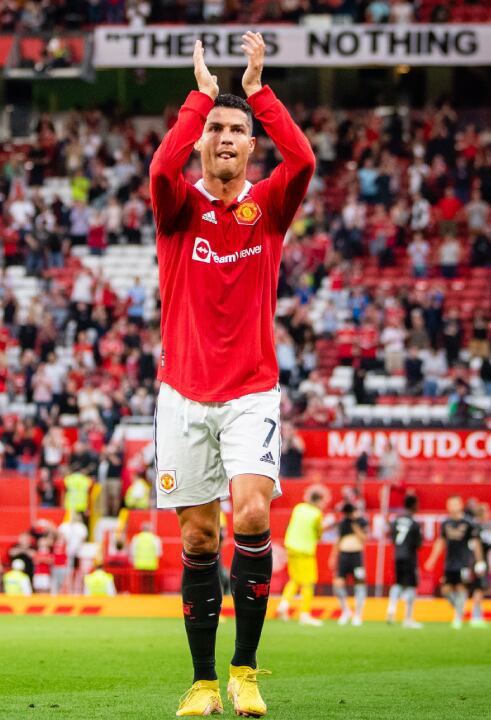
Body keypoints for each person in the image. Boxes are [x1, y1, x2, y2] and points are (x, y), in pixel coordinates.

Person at [150, 32, 314, 717]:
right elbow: (160, 170)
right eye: (214, 129)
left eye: (235, 131)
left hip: (251, 388)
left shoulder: (269, 207)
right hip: (181, 393)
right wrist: (198, 97)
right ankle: (203, 681)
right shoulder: (179, 207)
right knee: (197, 537)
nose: (224, 137)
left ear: (250, 146)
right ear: (199, 141)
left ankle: (245, 669)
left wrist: (254, 90)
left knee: (250, 511)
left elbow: (302, 156)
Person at [425, 495, 485, 630]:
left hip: (464, 562)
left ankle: (457, 617)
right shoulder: (445, 523)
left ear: (460, 505)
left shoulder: (469, 523)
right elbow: (441, 542)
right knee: (445, 590)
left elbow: (476, 543)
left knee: (460, 588)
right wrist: (432, 559)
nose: (452, 507)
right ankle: (459, 609)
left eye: (454, 504)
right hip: (449, 562)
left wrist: (480, 561)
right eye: (449, 504)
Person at [276, 490, 326, 627]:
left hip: (291, 547)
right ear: (319, 501)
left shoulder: (299, 508)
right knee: (308, 582)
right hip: (305, 550)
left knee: (295, 579)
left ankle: (284, 604)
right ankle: (305, 614)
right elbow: (318, 533)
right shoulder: (317, 514)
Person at [386, 495, 423, 628]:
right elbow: (418, 544)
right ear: (413, 505)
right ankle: (408, 618)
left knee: (397, 583)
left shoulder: (396, 520)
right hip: (409, 557)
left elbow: (392, 537)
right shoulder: (414, 523)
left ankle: (390, 612)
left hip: (397, 556)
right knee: (411, 586)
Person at [330, 503, 368, 626]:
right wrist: (333, 556)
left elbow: (364, 538)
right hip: (344, 556)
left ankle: (358, 614)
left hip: (356, 556)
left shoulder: (361, 522)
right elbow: (338, 540)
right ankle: (346, 611)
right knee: (338, 584)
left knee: (360, 583)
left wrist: (355, 524)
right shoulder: (342, 523)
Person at [469, 503, 491, 628]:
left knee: (480, 588)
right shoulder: (477, 527)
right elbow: (477, 544)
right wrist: (479, 561)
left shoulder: (482, 527)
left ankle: (478, 614)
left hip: (481, 560)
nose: (489, 514)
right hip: (478, 561)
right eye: (487, 511)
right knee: (478, 588)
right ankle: (475, 616)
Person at [130, 522, 163, 594]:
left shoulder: (136, 538)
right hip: (151, 565)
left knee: (141, 584)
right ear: (150, 529)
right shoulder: (155, 539)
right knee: (150, 584)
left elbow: (132, 552)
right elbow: (159, 553)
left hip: (139, 565)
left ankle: (141, 598)